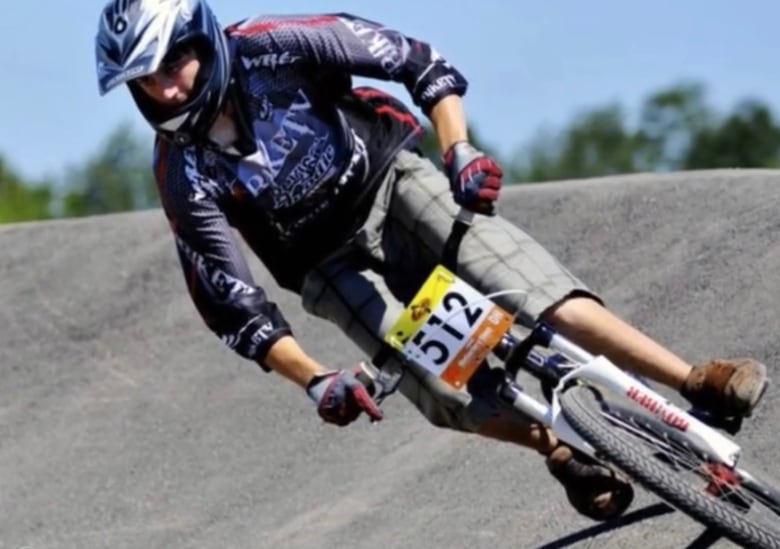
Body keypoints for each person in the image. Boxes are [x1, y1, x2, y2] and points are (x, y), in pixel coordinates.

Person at [95, 0, 768, 522]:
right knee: (447, 388)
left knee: (530, 290)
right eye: (145, 81)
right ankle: (557, 446)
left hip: (392, 181)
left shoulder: (278, 45)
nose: (167, 91)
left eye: (171, 65)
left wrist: (460, 150)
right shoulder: (181, 171)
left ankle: (695, 378)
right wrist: (314, 379)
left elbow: (421, 64)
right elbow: (234, 304)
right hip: (328, 263)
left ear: (200, 41)